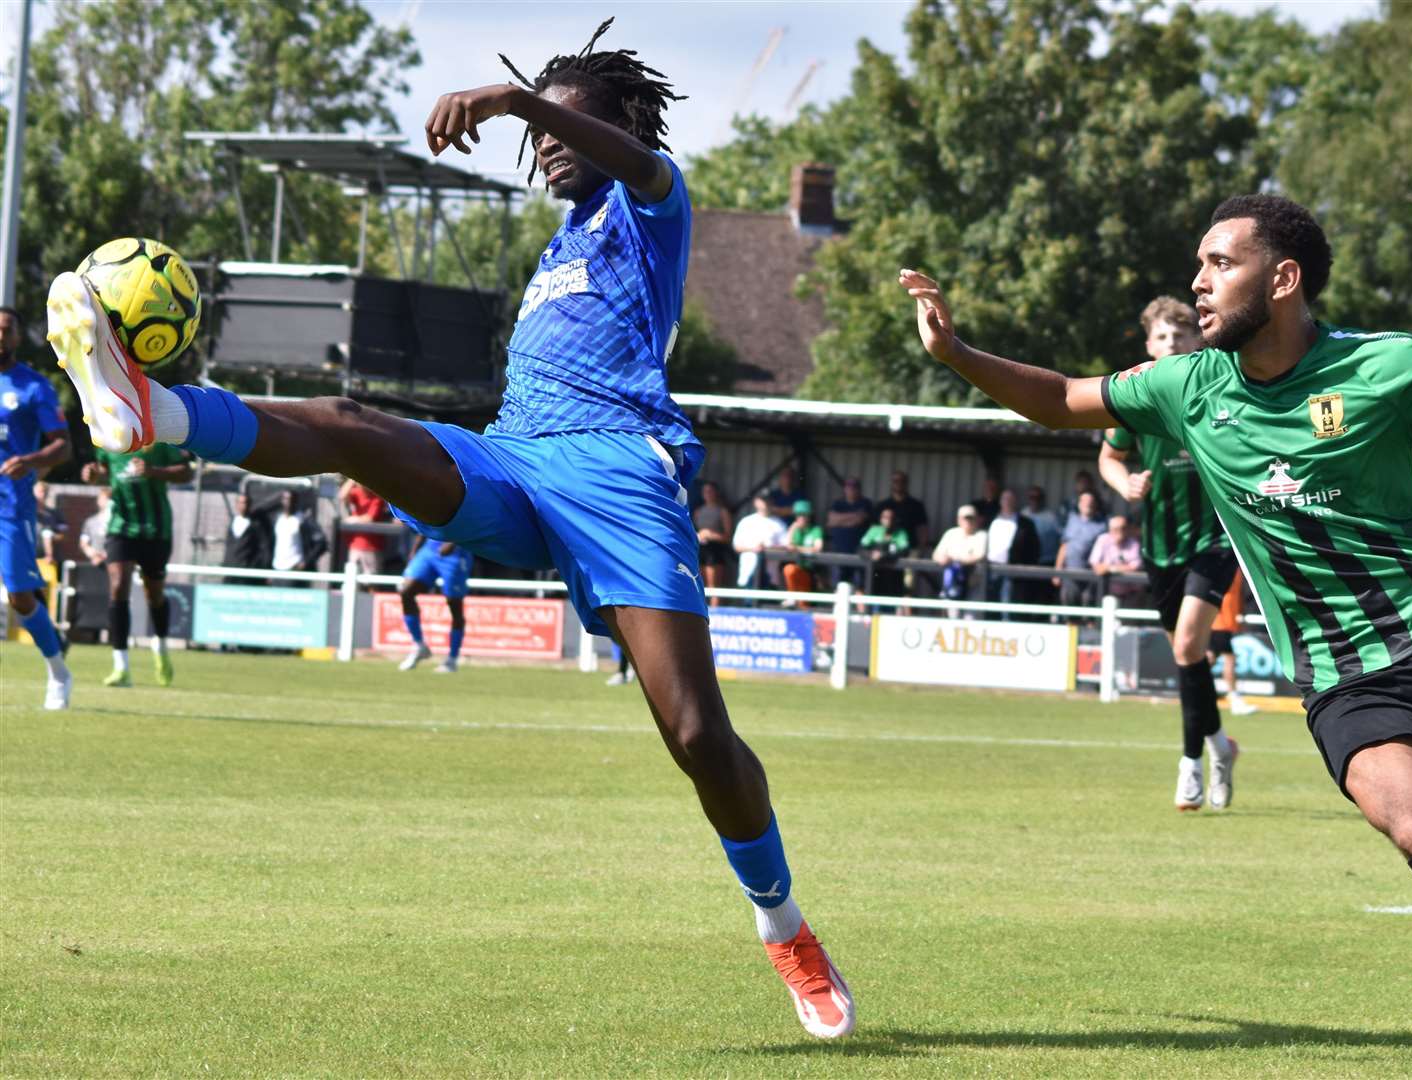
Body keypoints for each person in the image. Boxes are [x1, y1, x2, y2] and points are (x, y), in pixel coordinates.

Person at [47, 21, 856, 1037]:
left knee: (696, 735)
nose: (548, 146)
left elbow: (636, 160)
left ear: (609, 123)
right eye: (542, 127)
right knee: (349, 426)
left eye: (567, 122)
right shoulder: (561, 241)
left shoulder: (654, 205)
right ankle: (154, 410)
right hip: (513, 459)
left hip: (617, 475)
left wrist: (518, 99)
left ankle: (783, 926)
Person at [898, 192, 1412, 1079]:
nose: (1198, 284)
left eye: (1220, 265)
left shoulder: (1385, 364)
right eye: (1199, 266)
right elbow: (1061, 399)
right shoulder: (1189, 384)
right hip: (1345, 676)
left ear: (1281, 279)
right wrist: (955, 352)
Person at [1099, 294, 1243, 811]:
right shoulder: (1137, 401)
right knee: (1190, 659)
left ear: (1198, 339)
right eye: (1162, 336)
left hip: (1214, 540)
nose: (1172, 343)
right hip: (1160, 546)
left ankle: (1190, 766)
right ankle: (1221, 746)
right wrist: (1125, 483)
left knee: (1187, 647)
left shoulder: (1220, 388)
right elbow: (1109, 457)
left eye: (1181, 334)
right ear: (1148, 346)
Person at [0, 304, 73, 709]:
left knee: (20, 598)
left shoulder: (33, 386)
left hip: (11, 505)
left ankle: (59, 672)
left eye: (6, 329)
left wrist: (29, 461)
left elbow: (63, 446)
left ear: (16, 337)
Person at [81, 442, 192, 688]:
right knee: (118, 585)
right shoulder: (106, 441)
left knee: (154, 595)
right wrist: (92, 475)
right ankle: (121, 666)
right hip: (121, 527)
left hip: (155, 529)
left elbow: (187, 472)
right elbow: (103, 473)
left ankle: (160, 646)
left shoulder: (157, 440)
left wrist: (154, 471)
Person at [396, 536, 472, 675]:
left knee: (455, 606)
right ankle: (419, 645)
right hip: (430, 550)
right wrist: (415, 548)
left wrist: (453, 541)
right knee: (406, 591)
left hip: (455, 555)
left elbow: (470, 520)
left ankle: (452, 659)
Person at [1208, 572, 1258, 716]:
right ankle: (1234, 699)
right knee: (1229, 658)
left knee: (1211, 657)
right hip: (1220, 622)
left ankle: (1197, 686)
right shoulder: (1226, 567)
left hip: (1222, 621)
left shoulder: (1234, 569)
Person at [983, 488, 1039, 608]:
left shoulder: (1025, 524)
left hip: (1012, 571)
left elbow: (1034, 549)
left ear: (1016, 502)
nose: (1007, 502)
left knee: (1007, 604)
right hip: (990, 568)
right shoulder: (992, 519)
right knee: (990, 603)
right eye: (1005, 499)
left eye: (1010, 499)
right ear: (1000, 501)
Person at [1054, 491, 1105, 610]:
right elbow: (1064, 545)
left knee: (1089, 607)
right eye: (1084, 501)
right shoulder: (1071, 519)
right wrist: (1057, 570)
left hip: (1091, 575)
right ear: (1079, 504)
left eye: (1091, 502)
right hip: (1070, 572)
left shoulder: (1102, 525)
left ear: (1095, 505)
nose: (1088, 504)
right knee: (1069, 607)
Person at [822, 476, 872, 586]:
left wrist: (840, 519)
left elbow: (859, 519)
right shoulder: (838, 504)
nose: (851, 489)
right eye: (848, 486)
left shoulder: (865, 503)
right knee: (839, 584)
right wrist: (853, 516)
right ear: (844, 489)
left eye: (854, 486)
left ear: (859, 489)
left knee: (859, 585)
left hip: (859, 552)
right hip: (839, 550)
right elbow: (831, 521)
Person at [732, 493, 787, 592]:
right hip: (749, 571)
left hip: (770, 576)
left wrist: (767, 548)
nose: (765, 503)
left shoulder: (779, 524)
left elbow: (786, 546)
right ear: (756, 502)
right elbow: (737, 546)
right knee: (747, 604)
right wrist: (754, 549)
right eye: (762, 500)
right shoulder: (746, 521)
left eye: (767, 500)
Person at [932, 504, 987, 602]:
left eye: (971, 518)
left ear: (977, 519)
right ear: (959, 520)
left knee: (970, 616)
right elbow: (936, 554)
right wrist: (942, 558)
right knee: (952, 614)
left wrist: (954, 559)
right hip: (952, 584)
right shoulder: (951, 533)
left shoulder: (981, 535)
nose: (968, 521)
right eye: (966, 518)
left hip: (973, 584)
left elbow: (979, 555)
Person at [1087, 515, 1143, 605]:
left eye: (1123, 528)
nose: (1120, 532)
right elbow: (1095, 565)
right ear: (1110, 530)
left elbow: (1135, 567)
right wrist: (1123, 568)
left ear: (1127, 529)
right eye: (1116, 529)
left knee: (1129, 618)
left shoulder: (1134, 543)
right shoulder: (1103, 539)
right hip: (1107, 593)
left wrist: (1109, 569)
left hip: (1130, 593)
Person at [339, 477, 390, 576]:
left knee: (371, 583)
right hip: (355, 545)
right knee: (351, 579)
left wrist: (352, 520)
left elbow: (369, 518)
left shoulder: (377, 496)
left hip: (371, 547)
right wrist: (352, 477)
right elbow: (342, 496)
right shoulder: (357, 492)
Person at [692, 480, 734, 598]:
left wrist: (711, 535)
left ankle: (715, 611)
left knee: (713, 585)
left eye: (710, 491)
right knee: (698, 583)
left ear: (716, 493)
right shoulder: (698, 511)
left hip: (715, 551)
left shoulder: (723, 511)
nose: (707, 494)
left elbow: (727, 537)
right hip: (701, 549)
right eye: (705, 491)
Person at [859, 505, 911, 596]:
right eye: (885, 517)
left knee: (897, 596)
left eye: (891, 517)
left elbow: (904, 551)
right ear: (881, 519)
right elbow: (861, 548)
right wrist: (871, 554)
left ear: (895, 519)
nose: (888, 520)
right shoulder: (874, 530)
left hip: (893, 573)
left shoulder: (900, 533)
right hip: (875, 572)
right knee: (865, 592)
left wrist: (884, 555)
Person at [875, 470, 928, 552]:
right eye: (896, 481)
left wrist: (920, 550)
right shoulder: (882, 505)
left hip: (909, 550)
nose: (899, 484)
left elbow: (922, 529)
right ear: (892, 483)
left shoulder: (916, 505)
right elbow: (875, 528)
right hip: (885, 550)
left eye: (902, 481)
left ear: (906, 483)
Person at [781, 500, 823, 599]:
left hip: (810, 571)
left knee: (804, 603)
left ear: (809, 516)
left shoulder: (815, 529)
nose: (801, 518)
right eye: (799, 515)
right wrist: (792, 529)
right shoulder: (795, 530)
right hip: (796, 567)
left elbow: (818, 548)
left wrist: (797, 548)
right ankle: (790, 597)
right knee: (789, 569)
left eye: (804, 515)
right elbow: (787, 545)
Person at [34, 480, 66, 560]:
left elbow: (63, 535)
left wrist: (51, 536)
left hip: (49, 560)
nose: (43, 494)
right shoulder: (25, 513)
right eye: (40, 491)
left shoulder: (55, 514)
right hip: (27, 557)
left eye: (45, 492)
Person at [79, 489, 112, 565]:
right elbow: (83, 543)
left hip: (112, 562)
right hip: (95, 563)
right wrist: (92, 554)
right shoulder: (90, 522)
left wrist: (106, 555)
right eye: (102, 498)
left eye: (107, 499)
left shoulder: (116, 523)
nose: (105, 501)